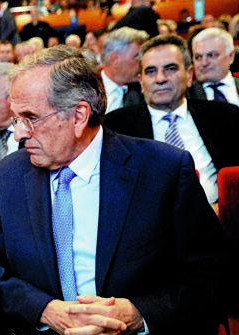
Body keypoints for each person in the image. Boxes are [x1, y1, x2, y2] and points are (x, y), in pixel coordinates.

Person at [0, 45, 231, 335]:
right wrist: (46, 311)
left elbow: (213, 275)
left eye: (30, 118)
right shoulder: (7, 176)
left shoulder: (162, 169)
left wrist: (138, 315)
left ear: (78, 116)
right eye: (16, 119)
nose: (18, 133)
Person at [104, 34, 239, 206]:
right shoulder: (116, 127)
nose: (160, 79)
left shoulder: (225, 116)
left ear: (189, 75)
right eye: (151, 71)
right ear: (141, 81)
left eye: (170, 68)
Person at [100, 27, 149, 113]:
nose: (143, 63)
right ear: (115, 60)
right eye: (137, 57)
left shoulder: (144, 91)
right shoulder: (85, 89)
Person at [188, 28, 239, 108]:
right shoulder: (184, 95)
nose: (204, 63)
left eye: (211, 55)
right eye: (198, 57)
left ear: (231, 56)